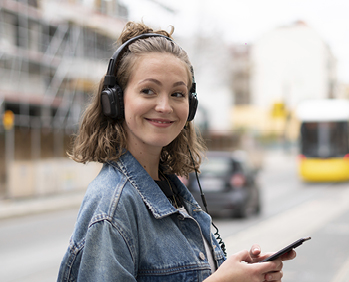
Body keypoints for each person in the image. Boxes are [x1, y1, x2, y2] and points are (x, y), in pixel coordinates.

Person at [57, 21, 295, 282]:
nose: (164, 106)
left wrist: (238, 274)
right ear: (114, 99)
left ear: (190, 106)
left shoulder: (171, 191)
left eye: (177, 94)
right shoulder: (112, 205)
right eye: (148, 91)